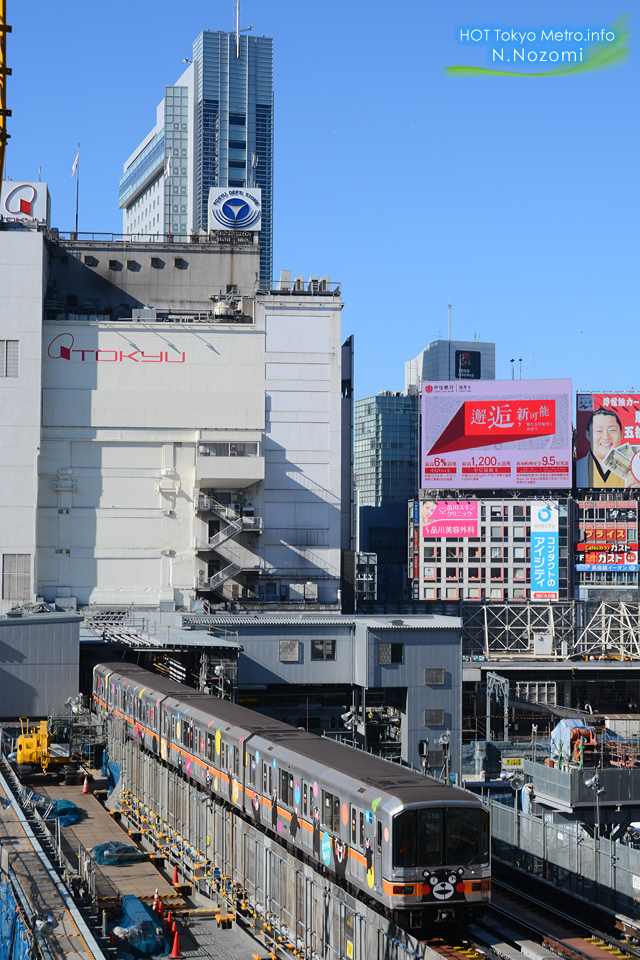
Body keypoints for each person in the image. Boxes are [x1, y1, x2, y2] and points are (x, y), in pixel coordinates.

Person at [576, 408, 629, 488]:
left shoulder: (634, 470)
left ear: (621, 433)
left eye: (612, 430)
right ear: (588, 435)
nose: (606, 437)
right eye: (599, 431)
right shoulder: (576, 469)